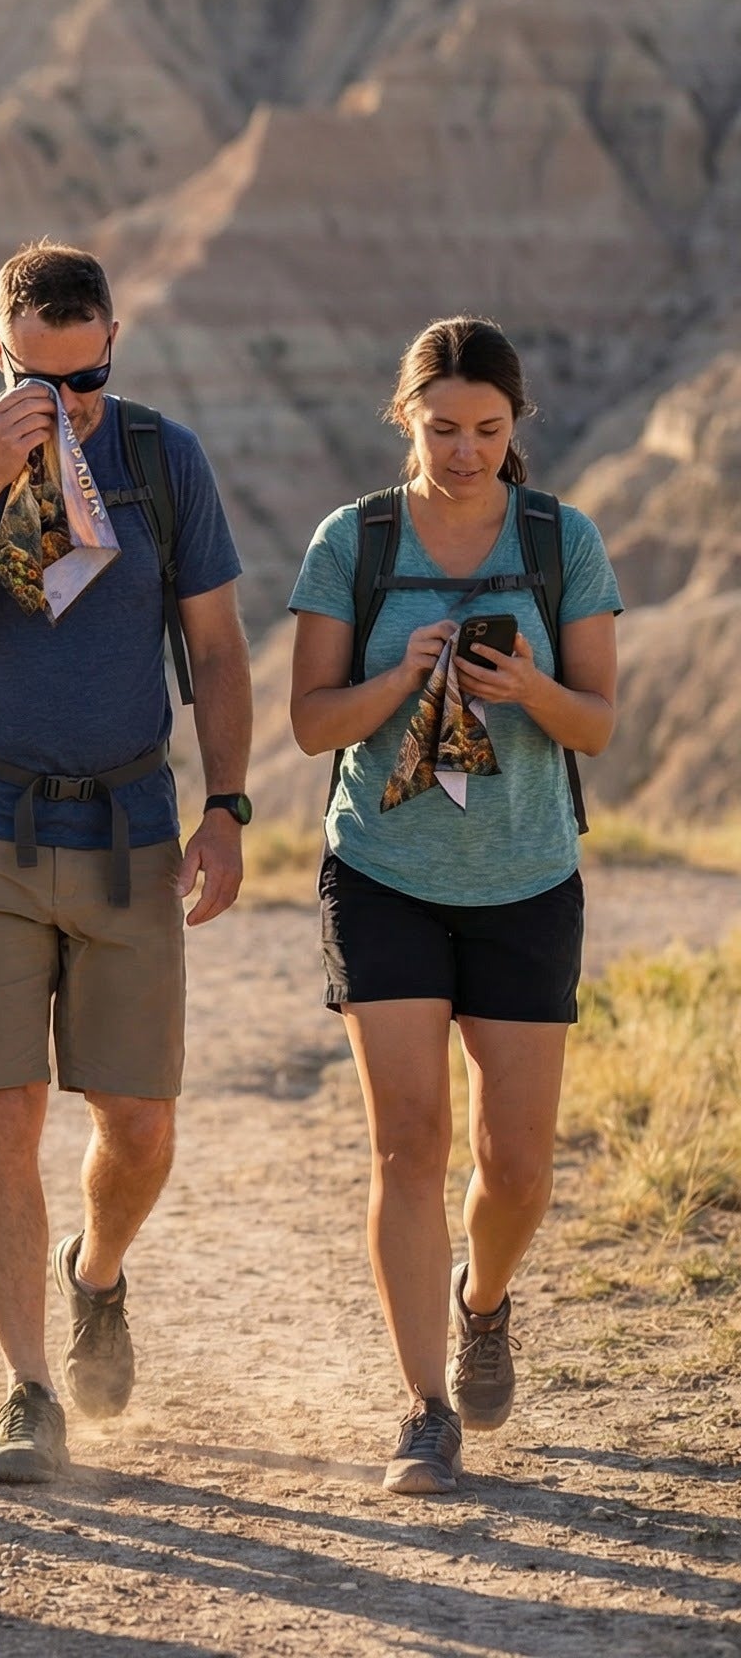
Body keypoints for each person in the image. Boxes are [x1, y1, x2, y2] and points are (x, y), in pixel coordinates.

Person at [0, 240, 250, 1484]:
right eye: (44, 379)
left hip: (129, 820)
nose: (70, 403)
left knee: (136, 1125)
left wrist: (228, 805)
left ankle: (95, 1274)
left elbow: (220, 648)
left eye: (88, 379)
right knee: (2, 1112)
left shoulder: (160, 458)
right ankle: (27, 1388)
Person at [288, 316, 619, 1495]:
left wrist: (525, 684)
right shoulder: (354, 540)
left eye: (486, 429)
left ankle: (484, 1303)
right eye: (441, 428)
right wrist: (396, 677)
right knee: (405, 1140)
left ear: (513, 426)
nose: (464, 450)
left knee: (515, 1164)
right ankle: (424, 1404)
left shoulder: (559, 540)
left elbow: (596, 723)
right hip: (379, 870)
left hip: (526, 875)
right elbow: (311, 725)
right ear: (404, 418)